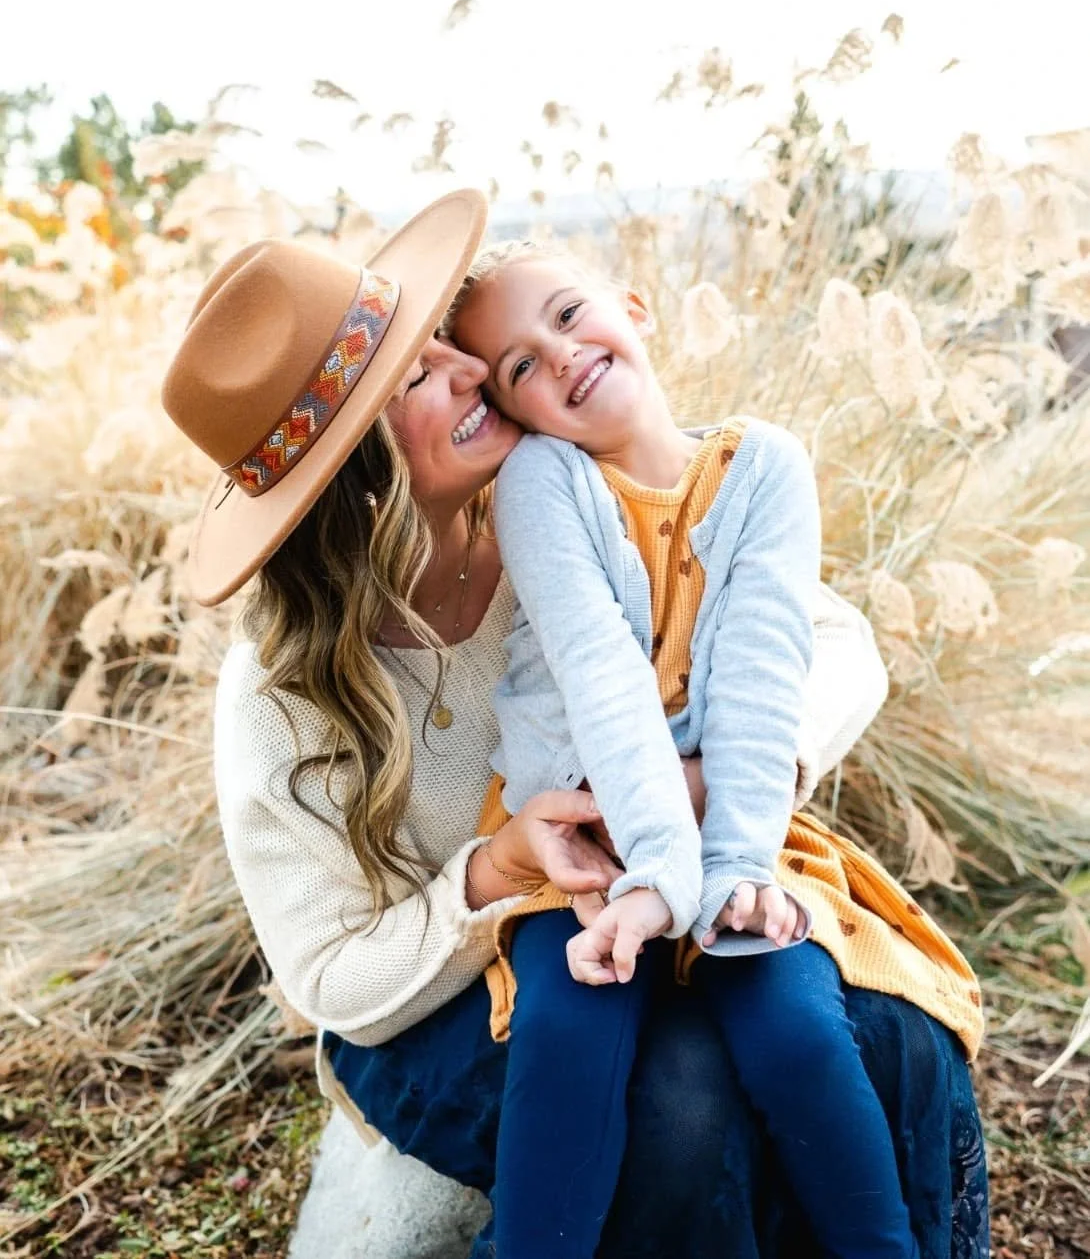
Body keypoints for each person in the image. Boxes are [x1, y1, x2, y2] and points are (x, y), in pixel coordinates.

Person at [161, 189, 990, 1258]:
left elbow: (833, 644)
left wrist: (715, 783)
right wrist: (494, 872)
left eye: (437, 344)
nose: (466, 365)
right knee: (677, 1093)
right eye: (418, 375)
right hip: (463, 990)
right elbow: (332, 979)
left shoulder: (562, 505)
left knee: (860, 1029)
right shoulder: (280, 695)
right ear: (352, 481)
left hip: (661, 886)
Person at [446, 241, 986, 1259]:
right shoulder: (542, 486)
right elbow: (601, 680)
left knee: (794, 1030)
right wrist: (652, 877)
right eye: (518, 365)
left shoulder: (762, 468)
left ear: (635, 309)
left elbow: (758, 681)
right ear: (516, 412)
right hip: (588, 852)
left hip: (729, 820)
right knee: (573, 1031)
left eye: (568, 315)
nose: (556, 356)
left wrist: (735, 868)